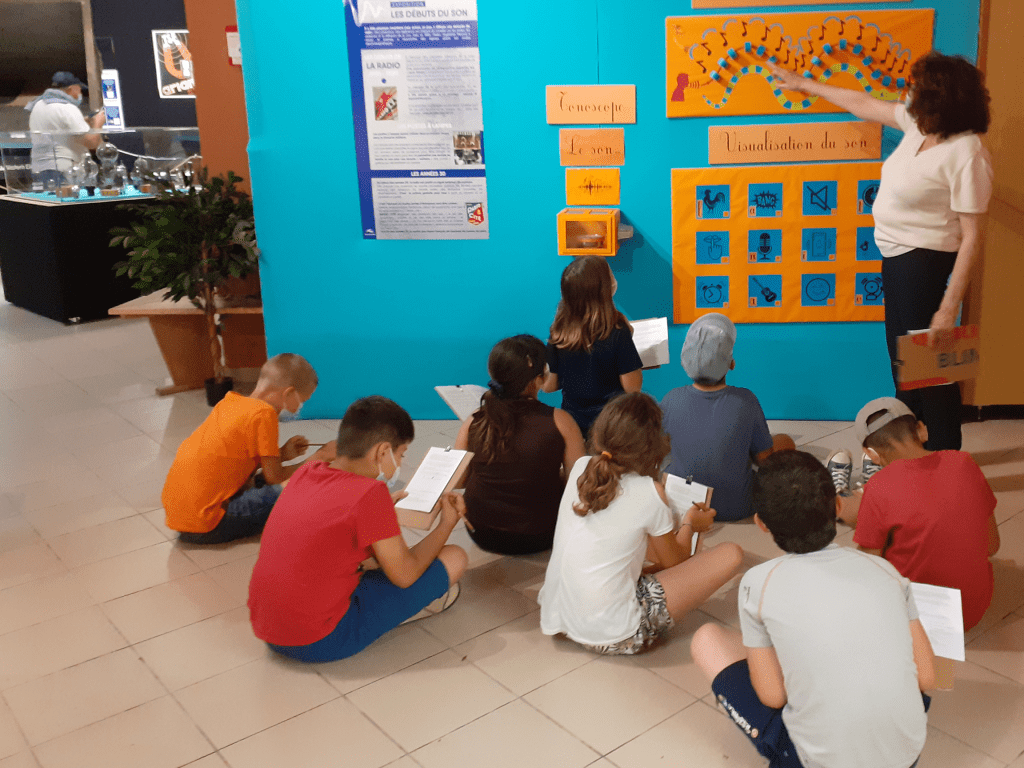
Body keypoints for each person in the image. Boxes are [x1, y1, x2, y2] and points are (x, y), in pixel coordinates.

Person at [769, 53, 993, 451]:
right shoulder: (919, 126)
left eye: (917, 87)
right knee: (908, 367)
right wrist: (803, 84)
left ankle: (943, 458)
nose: (909, 92)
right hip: (899, 261)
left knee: (929, 369)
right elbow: (863, 103)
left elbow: (973, 236)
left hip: (925, 263)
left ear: (940, 97)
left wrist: (947, 308)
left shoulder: (968, 151)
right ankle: (916, 453)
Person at [691, 450, 935, 768]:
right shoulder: (885, 571)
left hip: (812, 761)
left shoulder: (758, 583)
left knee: (707, 638)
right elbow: (929, 676)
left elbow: (773, 696)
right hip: (906, 756)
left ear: (761, 524)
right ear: (836, 507)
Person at [248, 396, 468, 662]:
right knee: (455, 556)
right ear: (382, 451)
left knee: (377, 560)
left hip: (267, 629)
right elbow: (405, 575)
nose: (400, 461)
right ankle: (417, 607)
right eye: (401, 454)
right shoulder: (370, 494)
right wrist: (446, 524)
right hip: (321, 640)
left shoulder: (308, 472)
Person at [538, 392, 743, 655]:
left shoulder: (581, 466)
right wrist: (691, 524)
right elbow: (675, 562)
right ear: (653, 445)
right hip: (616, 633)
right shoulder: (650, 491)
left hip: (559, 616)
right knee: (731, 554)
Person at [829, 397, 998, 631]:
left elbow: (870, 568)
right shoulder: (964, 462)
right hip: (972, 612)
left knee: (855, 519)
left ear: (872, 454)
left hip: (915, 618)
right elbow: (992, 545)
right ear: (922, 429)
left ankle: (837, 497)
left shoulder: (881, 486)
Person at [162, 353, 325, 544]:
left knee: (261, 481)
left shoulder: (230, 402)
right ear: (288, 393)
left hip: (181, 518)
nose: (300, 407)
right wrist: (316, 459)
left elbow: (237, 463)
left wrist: (282, 455)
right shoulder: (265, 414)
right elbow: (275, 477)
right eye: (302, 401)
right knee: (294, 486)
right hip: (209, 524)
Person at [454, 335, 586, 554]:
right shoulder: (562, 422)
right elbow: (579, 483)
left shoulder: (475, 419)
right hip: (541, 534)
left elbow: (458, 478)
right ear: (538, 380)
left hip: (479, 530)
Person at [660, 313, 795, 522]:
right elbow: (765, 459)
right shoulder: (746, 399)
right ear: (731, 363)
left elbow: (660, 449)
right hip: (739, 507)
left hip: (685, 506)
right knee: (785, 441)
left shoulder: (670, 399)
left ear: (684, 360)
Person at [542, 255, 643, 438]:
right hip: (611, 426)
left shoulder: (558, 331)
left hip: (573, 425)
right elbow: (632, 387)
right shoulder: (618, 331)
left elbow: (549, 385)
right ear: (603, 289)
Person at [25, 71, 105, 187]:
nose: (80, 93)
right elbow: (92, 143)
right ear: (71, 89)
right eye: (79, 89)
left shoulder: (38, 105)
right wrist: (98, 123)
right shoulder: (67, 108)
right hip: (64, 170)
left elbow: (55, 126)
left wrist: (82, 121)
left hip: (40, 169)